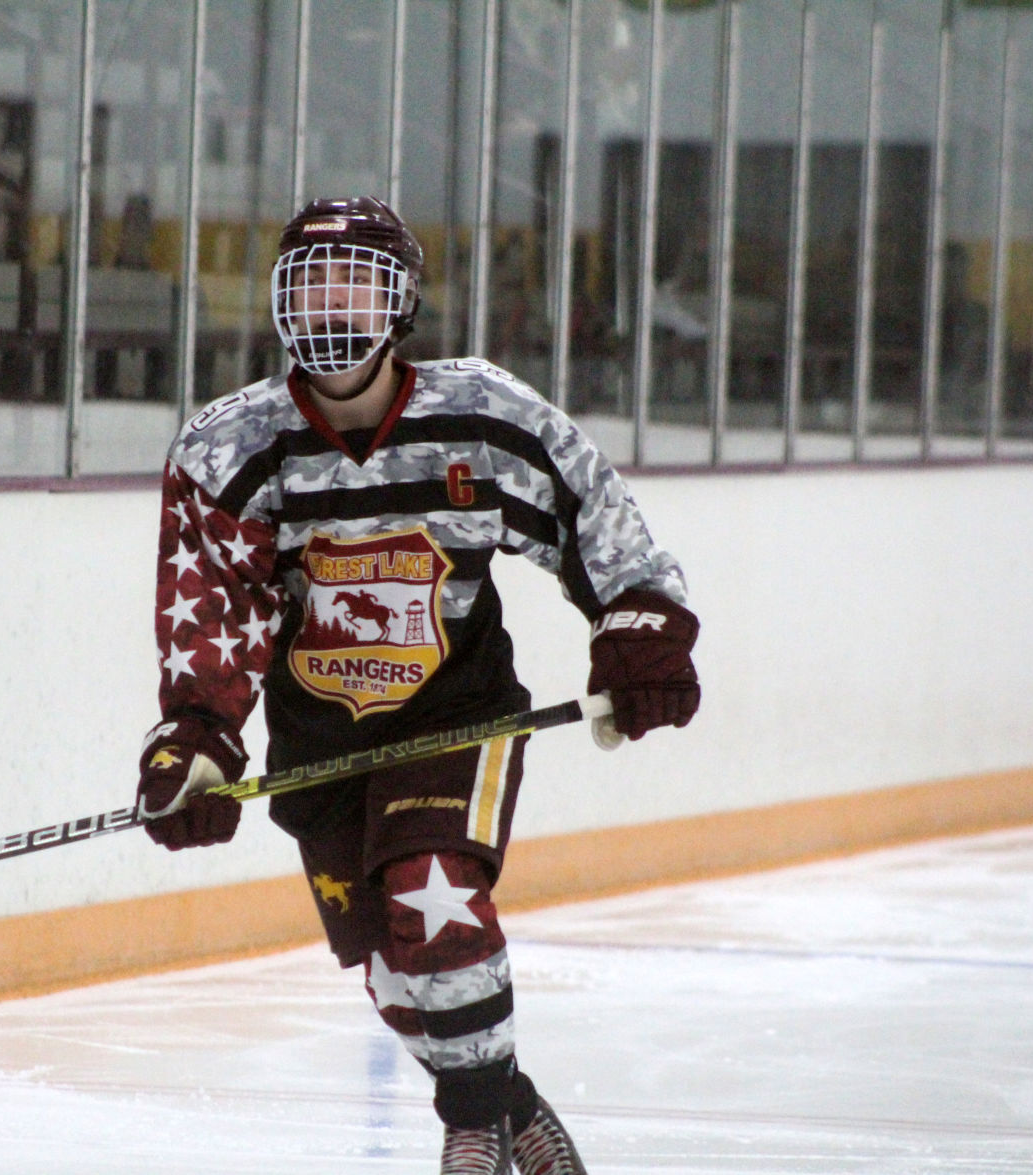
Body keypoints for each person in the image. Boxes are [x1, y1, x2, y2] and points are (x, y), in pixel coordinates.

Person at [134, 196, 700, 1175]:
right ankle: (505, 1102)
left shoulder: (476, 416)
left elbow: (596, 519)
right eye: (309, 282)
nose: (329, 304)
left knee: (429, 890)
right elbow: (216, 609)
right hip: (320, 747)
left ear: (400, 304)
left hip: (455, 714)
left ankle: (470, 1133)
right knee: (395, 968)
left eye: (353, 279)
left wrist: (638, 623)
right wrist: (194, 736)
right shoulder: (228, 450)